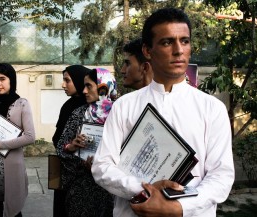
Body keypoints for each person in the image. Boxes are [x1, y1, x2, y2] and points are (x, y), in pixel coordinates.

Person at [92, 7, 234, 217]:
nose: (178, 50)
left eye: (184, 41)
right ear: (147, 51)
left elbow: (220, 176)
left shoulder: (211, 108)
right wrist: (143, 188)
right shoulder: (125, 105)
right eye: (167, 42)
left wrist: (178, 208)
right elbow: (102, 166)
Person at [0, 63, 35, 217]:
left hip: (11, 168)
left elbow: (30, 136)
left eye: (2, 79)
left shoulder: (22, 103)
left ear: (12, 80)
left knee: (14, 211)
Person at [56, 68, 117, 217]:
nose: (84, 91)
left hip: (111, 190)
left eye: (89, 86)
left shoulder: (119, 114)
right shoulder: (78, 114)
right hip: (82, 190)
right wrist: (71, 147)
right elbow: (61, 147)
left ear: (103, 88)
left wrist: (103, 165)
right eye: (83, 86)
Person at [52, 65, 91, 217]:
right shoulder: (67, 105)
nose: (63, 85)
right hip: (62, 169)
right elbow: (58, 137)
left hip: (81, 175)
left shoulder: (92, 109)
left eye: (67, 80)